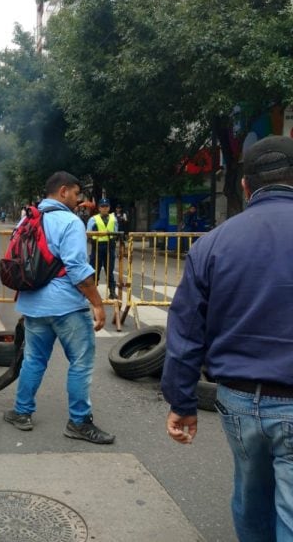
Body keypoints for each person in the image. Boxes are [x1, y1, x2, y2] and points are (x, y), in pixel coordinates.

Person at [161, 135, 293, 542]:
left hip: (237, 401)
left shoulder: (213, 245)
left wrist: (181, 402)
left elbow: (184, 333)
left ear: (245, 185)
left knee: (251, 501)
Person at [3, 171, 114, 445]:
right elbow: (77, 269)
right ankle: (79, 422)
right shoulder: (70, 221)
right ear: (63, 191)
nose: (79, 200)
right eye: (77, 194)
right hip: (65, 307)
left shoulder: (26, 218)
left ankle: (21, 412)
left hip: (33, 305)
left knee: (34, 359)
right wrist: (98, 304)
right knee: (81, 362)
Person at [86, 198, 118, 299]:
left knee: (110, 270)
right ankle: (92, 293)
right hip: (97, 247)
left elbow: (116, 232)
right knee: (94, 270)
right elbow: (88, 233)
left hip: (110, 246)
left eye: (106, 206)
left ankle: (112, 292)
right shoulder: (93, 219)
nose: (104, 208)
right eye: (102, 206)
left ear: (109, 207)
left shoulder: (113, 219)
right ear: (99, 208)